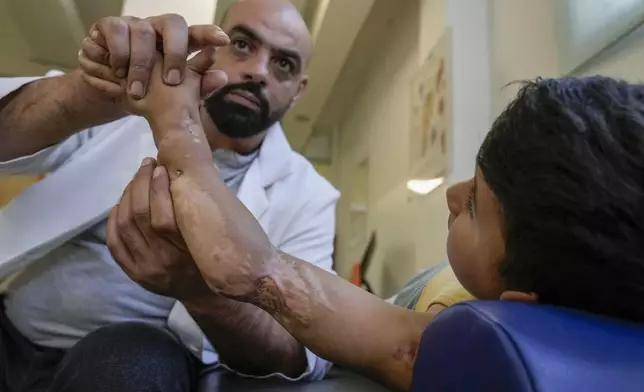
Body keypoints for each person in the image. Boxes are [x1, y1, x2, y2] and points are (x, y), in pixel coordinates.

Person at [120, 60, 644, 391]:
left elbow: (248, 267)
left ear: (521, 306)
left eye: (475, 207)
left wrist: (175, 121)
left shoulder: (462, 339)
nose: (452, 193)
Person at [0, 0, 339, 391]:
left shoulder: (309, 196)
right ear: (211, 45)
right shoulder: (128, 109)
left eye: (283, 64)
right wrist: (83, 93)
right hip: (12, 328)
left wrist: (202, 292)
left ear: (299, 91)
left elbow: (304, 350)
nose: (258, 71)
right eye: (243, 45)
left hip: (121, 359)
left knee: (134, 366)